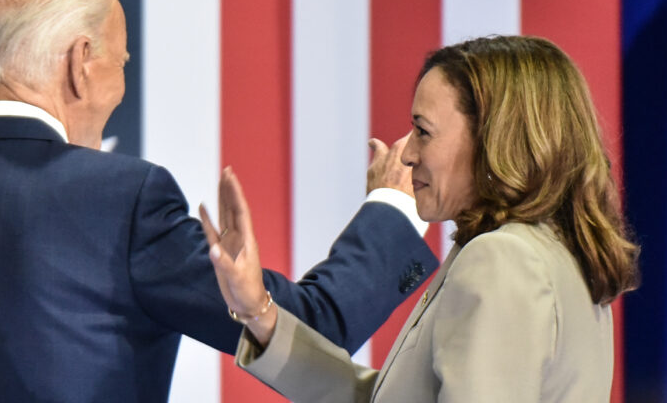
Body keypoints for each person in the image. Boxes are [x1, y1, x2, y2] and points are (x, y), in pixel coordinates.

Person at [0, 0, 437, 402]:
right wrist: (395, 204)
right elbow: (306, 328)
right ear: (80, 61)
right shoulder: (121, 202)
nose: (121, 85)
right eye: (121, 63)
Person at [202, 35, 641, 402]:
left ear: (494, 140)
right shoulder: (556, 257)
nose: (407, 154)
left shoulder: (502, 260)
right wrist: (259, 313)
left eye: (423, 131)